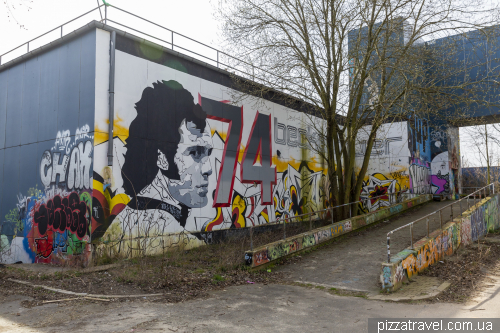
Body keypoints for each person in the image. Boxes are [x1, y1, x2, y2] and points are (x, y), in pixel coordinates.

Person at [118, 80, 213, 235]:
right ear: (161, 158)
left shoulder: (157, 216)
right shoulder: (151, 224)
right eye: (195, 153)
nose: (209, 169)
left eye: (208, 153)